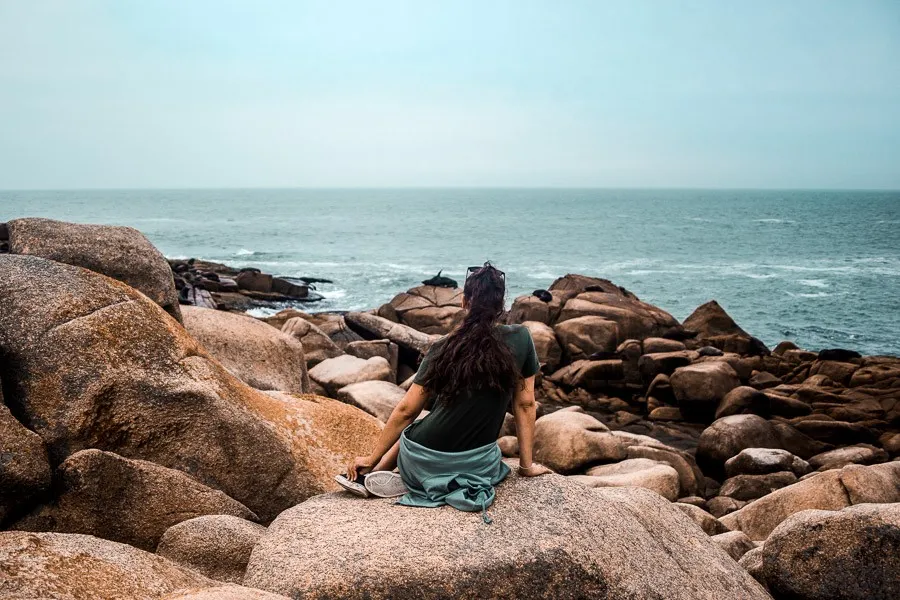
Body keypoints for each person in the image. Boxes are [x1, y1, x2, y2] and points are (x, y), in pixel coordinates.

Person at [335, 262, 551, 523]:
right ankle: (398, 478)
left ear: (464, 302)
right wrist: (526, 466)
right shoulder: (521, 338)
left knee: (410, 432)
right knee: (481, 448)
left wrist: (371, 456)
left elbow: (406, 410)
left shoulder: (444, 347)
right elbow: (526, 404)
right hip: (478, 465)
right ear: (501, 304)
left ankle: (376, 474)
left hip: (421, 458)